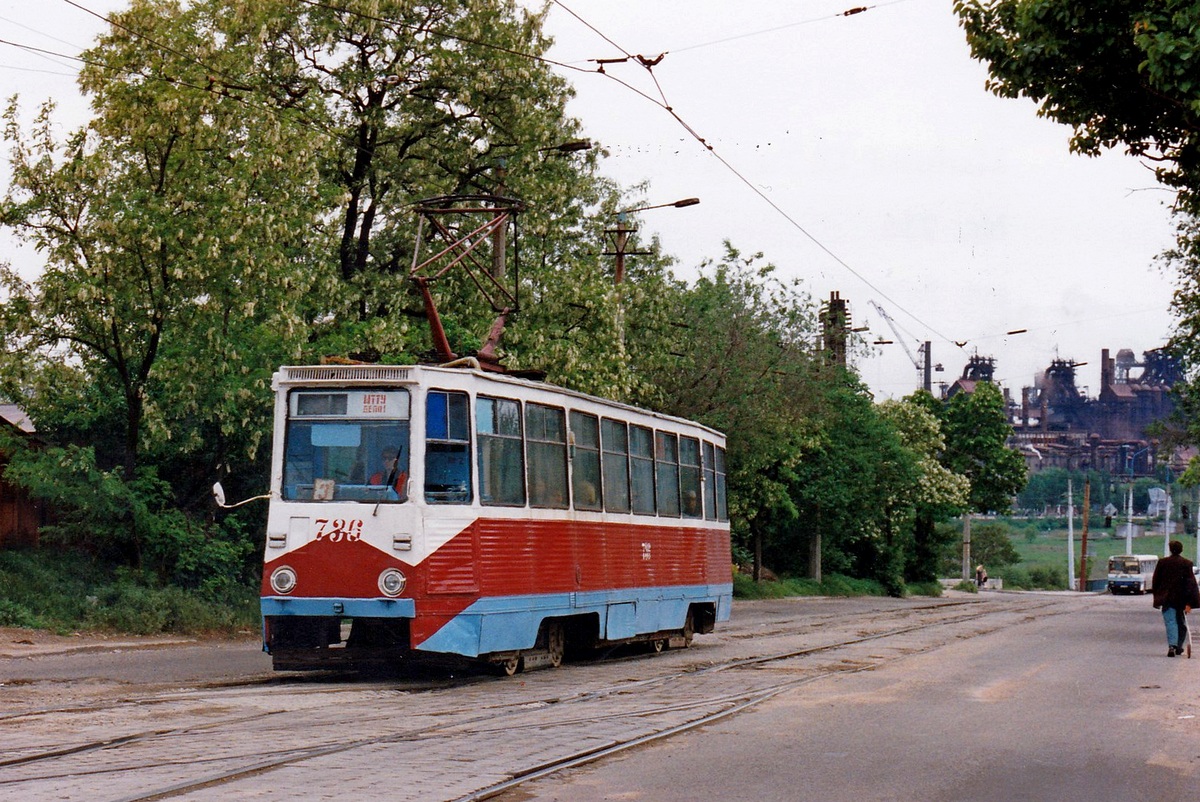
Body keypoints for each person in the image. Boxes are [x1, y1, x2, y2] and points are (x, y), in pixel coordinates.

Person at [1151, 539, 1200, 657]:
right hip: (1182, 600)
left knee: (1170, 622)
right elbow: (1191, 584)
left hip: (1167, 599)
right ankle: (1178, 646)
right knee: (1181, 623)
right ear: (1181, 550)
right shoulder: (1186, 563)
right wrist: (1190, 603)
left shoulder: (1162, 563)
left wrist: (1157, 599)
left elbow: (1156, 581)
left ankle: (1172, 646)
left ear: (1170, 549)